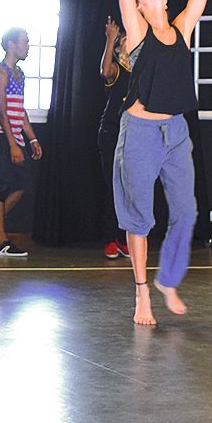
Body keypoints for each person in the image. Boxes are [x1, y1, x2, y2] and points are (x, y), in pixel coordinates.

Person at [109, 0, 212, 327]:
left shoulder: (182, 28)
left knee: (186, 211)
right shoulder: (137, 32)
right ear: (140, 5)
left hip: (176, 132)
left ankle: (168, 280)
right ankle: (141, 294)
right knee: (140, 218)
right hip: (140, 133)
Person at [0, 27, 41, 257]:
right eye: (24, 41)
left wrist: (32, 138)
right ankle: (1, 241)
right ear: (11, 44)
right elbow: (1, 112)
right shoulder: (0, 73)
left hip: (13, 137)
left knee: (21, 186)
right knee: (0, 187)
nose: (28, 46)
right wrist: (12, 144)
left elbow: (19, 111)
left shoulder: (19, 73)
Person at [97, 15, 132, 260]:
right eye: (125, 40)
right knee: (113, 187)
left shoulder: (139, 71)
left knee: (129, 189)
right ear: (119, 48)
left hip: (133, 136)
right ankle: (110, 239)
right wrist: (111, 39)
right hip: (111, 134)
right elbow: (104, 70)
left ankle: (123, 238)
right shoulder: (117, 70)